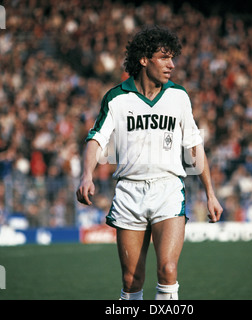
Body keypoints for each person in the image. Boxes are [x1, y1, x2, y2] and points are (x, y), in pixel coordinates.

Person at [76, 25, 223, 300]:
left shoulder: (179, 96)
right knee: (132, 280)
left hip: (168, 189)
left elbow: (194, 146)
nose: (172, 64)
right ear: (144, 59)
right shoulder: (117, 97)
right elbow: (96, 139)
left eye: (173, 58)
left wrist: (210, 194)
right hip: (129, 192)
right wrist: (87, 175)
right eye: (164, 57)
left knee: (168, 269)